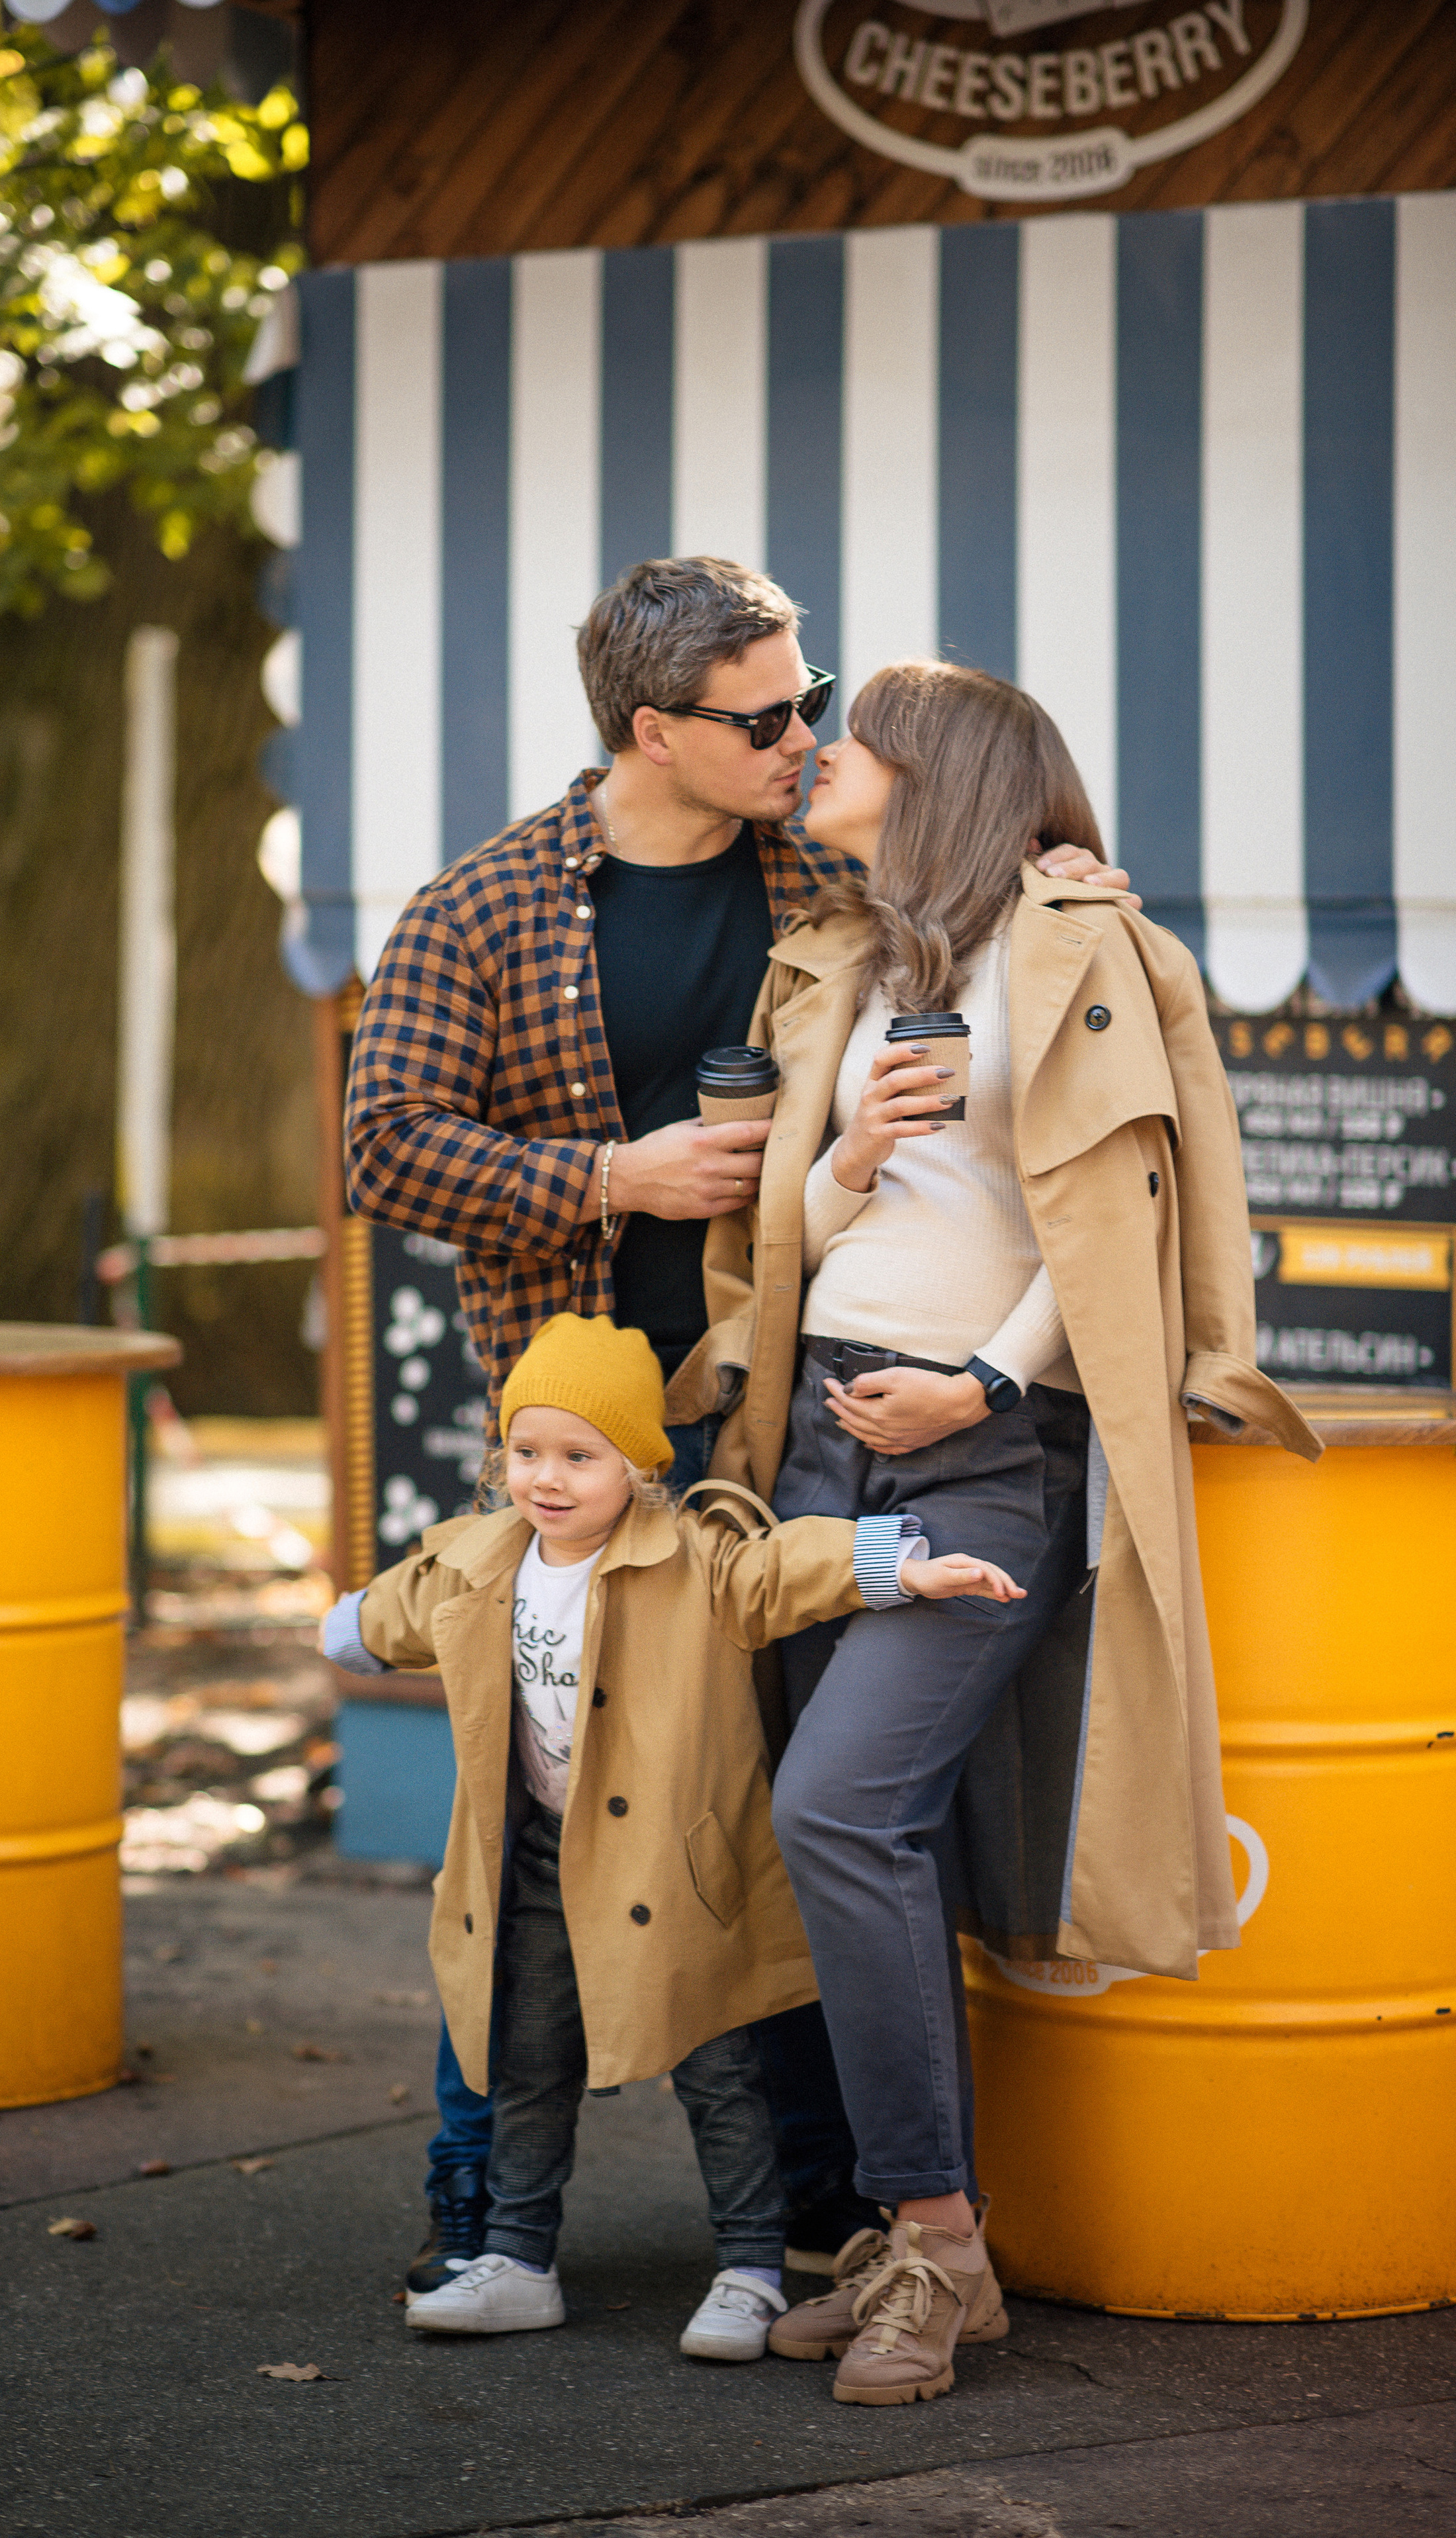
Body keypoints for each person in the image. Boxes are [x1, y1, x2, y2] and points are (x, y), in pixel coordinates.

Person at [340, 556, 1135, 2294]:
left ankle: (813, 2219)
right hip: (592, 1439)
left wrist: (1063, 873)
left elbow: (996, 896)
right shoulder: (484, 905)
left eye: (810, 696)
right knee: (541, 1811)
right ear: (655, 729)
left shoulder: (824, 870)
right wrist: (607, 1174)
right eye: (766, 715)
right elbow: (380, 1142)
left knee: (780, 1804)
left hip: (793, 1412)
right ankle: (480, 2206)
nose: (805, 733)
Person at [696, 657, 1319, 2407]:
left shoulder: (1080, 946)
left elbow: (1113, 1225)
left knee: (844, 1809)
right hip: (817, 1435)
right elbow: (796, 1220)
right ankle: (922, 2248)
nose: (815, 756)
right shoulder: (848, 961)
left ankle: (939, 2239)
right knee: (861, 1843)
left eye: (850, 739)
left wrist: (979, 1381)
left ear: (936, 769)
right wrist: (852, 1153)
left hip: (983, 1448)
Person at [322, 1313, 1024, 2358]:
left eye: (579, 1456)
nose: (547, 1479)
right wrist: (347, 1626)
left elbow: (783, 1569)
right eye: (526, 1452)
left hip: (673, 1868)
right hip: (538, 1861)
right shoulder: (483, 1560)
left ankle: (748, 2265)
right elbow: (404, 1606)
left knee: (718, 2067)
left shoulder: (690, 1556)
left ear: (640, 1467)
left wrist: (902, 1565)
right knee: (529, 2052)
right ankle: (518, 2253)